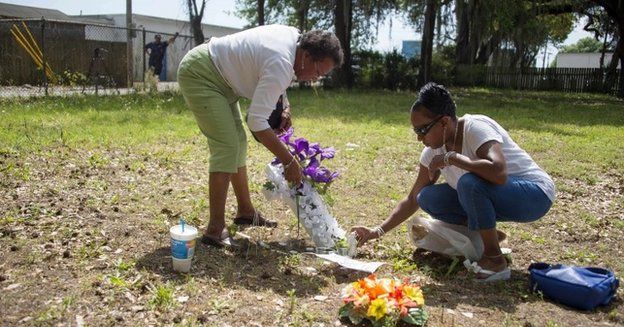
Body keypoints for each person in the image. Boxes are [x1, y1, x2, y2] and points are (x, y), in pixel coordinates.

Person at [351, 83, 555, 282]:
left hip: (534, 195)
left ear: (444, 122)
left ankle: (495, 260)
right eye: (416, 132)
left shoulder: (475, 128)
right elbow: (413, 198)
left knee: (469, 183)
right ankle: (484, 239)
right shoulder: (432, 150)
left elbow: (499, 172)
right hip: (496, 196)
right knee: (428, 197)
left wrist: (454, 158)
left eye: (423, 130)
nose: (419, 138)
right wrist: (376, 231)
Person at [177, 24, 343, 247]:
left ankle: (245, 211)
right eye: (318, 72)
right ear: (306, 55)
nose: (315, 79)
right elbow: (256, 122)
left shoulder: (294, 39)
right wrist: (289, 160)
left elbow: (272, 70)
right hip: (202, 74)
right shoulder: (282, 63)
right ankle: (215, 229)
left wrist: (284, 104)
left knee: (238, 143)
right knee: (227, 146)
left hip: (220, 77)